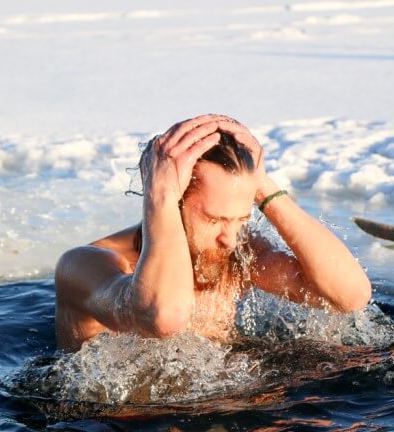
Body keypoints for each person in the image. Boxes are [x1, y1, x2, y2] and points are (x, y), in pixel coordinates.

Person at [54, 114, 371, 351]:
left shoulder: (236, 255)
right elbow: (163, 317)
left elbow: (350, 296)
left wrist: (262, 187)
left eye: (240, 219)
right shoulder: (86, 265)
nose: (230, 239)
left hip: (221, 420)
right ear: (170, 198)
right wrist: (159, 197)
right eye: (215, 219)